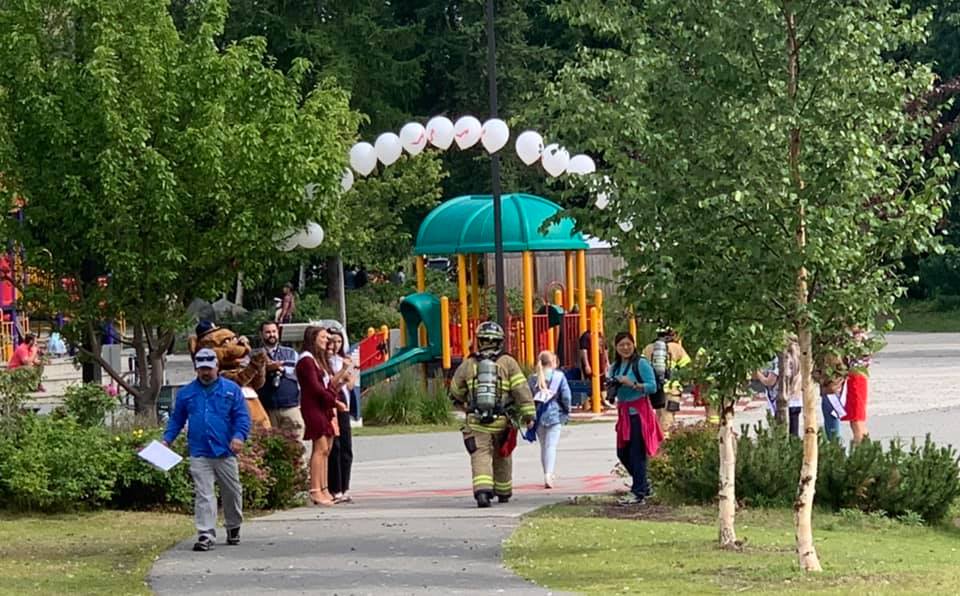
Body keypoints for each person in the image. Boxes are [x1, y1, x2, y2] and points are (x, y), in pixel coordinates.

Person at [163, 348, 249, 552]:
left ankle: (233, 525)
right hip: (199, 451)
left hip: (225, 451)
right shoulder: (187, 393)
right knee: (204, 493)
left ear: (217, 367)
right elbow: (176, 420)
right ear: (196, 369)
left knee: (232, 492)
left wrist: (239, 436)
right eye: (201, 369)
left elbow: (242, 417)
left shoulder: (231, 390)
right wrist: (167, 440)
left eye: (209, 368)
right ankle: (205, 533)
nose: (206, 372)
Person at [449, 321, 535, 508]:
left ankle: (482, 493)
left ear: (479, 341)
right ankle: (503, 492)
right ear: (500, 342)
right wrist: (529, 415)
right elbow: (521, 389)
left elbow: (455, 390)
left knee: (480, 454)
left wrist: (464, 402)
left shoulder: (468, 364)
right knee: (502, 454)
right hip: (501, 421)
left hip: (477, 421)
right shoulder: (508, 362)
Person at [296, 326, 350, 506]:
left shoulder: (320, 361)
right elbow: (315, 387)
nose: (326, 341)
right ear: (313, 338)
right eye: (323, 337)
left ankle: (325, 487)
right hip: (314, 407)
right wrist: (333, 400)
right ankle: (315, 490)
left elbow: (328, 385)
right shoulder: (306, 361)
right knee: (319, 448)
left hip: (324, 406)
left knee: (327, 448)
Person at [608, 331, 663, 505]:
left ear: (633, 344)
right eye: (621, 345)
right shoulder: (615, 366)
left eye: (628, 344)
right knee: (622, 452)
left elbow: (652, 386)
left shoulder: (641, 364)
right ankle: (643, 485)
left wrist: (632, 384)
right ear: (615, 347)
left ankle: (638, 492)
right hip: (624, 415)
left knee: (637, 454)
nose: (625, 348)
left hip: (639, 414)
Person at [525, 350, 571, 489]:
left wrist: (529, 417)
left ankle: (546, 472)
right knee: (551, 446)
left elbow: (527, 398)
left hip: (538, 416)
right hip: (554, 415)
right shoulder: (559, 376)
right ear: (553, 362)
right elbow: (566, 396)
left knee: (544, 446)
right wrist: (567, 410)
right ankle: (549, 474)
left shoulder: (532, 378)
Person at [254, 321, 304, 439]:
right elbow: (249, 378)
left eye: (274, 331)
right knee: (269, 446)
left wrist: (281, 369)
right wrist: (266, 369)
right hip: (266, 409)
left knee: (295, 446)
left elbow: (298, 375)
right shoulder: (254, 354)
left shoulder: (291, 353)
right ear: (261, 334)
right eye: (267, 332)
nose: (271, 335)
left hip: (290, 407)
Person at [642, 328, 691, 436]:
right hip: (672, 389)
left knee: (659, 416)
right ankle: (665, 444)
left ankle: (658, 441)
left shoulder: (649, 348)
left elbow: (642, 367)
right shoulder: (677, 348)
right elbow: (687, 367)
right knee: (668, 417)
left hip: (655, 389)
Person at [326, 327, 356, 503]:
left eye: (339, 341)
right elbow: (330, 384)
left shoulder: (346, 360)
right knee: (334, 447)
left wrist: (349, 375)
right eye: (332, 341)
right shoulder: (324, 361)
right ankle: (334, 487)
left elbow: (351, 385)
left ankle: (345, 486)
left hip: (344, 405)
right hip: (331, 405)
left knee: (346, 447)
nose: (335, 345)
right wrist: (341, 374)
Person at [842, 328, 871, 444]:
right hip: (858, 377)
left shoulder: (857, 339)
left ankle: (860, 448)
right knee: (856, 418)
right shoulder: (861, 337)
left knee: (856, 419)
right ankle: (864, 446)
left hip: (855, 378)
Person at [814, 351, 846, 441]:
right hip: (830, 392)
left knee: (832, 429)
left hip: (831, 394)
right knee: (831, 426)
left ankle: (836, 449)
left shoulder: (831, 357)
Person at [578, 329, 609, 405]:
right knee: (591, 381)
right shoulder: (586, 336)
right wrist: (587, 364)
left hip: (600, 363)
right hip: (591, 362)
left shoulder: (600, 334)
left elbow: (605, 349)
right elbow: (583, 351)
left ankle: (604, 400)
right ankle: (589, 402)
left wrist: (607, 362)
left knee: (602, 380)